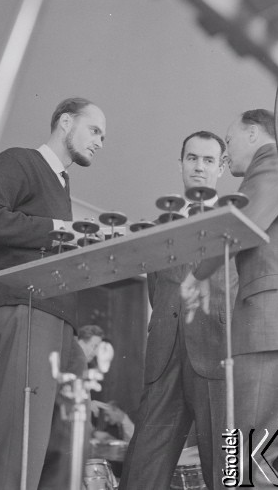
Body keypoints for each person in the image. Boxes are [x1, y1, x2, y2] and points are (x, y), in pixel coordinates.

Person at [181, 110, 278, 488]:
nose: (224, 155)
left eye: (228, 142)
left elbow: (243, 222)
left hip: (272, 326)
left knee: (249, 460)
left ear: (252, 133)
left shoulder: (273, 161)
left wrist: (198, 274)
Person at [0, 97, 106, 490]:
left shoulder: (63, 184)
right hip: (29, 309)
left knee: (66, 444)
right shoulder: (20, 161)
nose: (100, 141)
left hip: (62, 322)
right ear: (65, 122)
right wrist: (62, 230)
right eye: (94, 130)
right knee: (20, 442)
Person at [119, 131, 238, 490]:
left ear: (221, 167)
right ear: (181, 163)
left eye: (207, 160)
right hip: (164, 355)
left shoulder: (237, 219)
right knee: (142, 469)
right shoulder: (157, 228)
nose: (198, 167)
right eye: (191, 158)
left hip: (217, 355)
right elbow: (159, 292)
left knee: (225, 470)